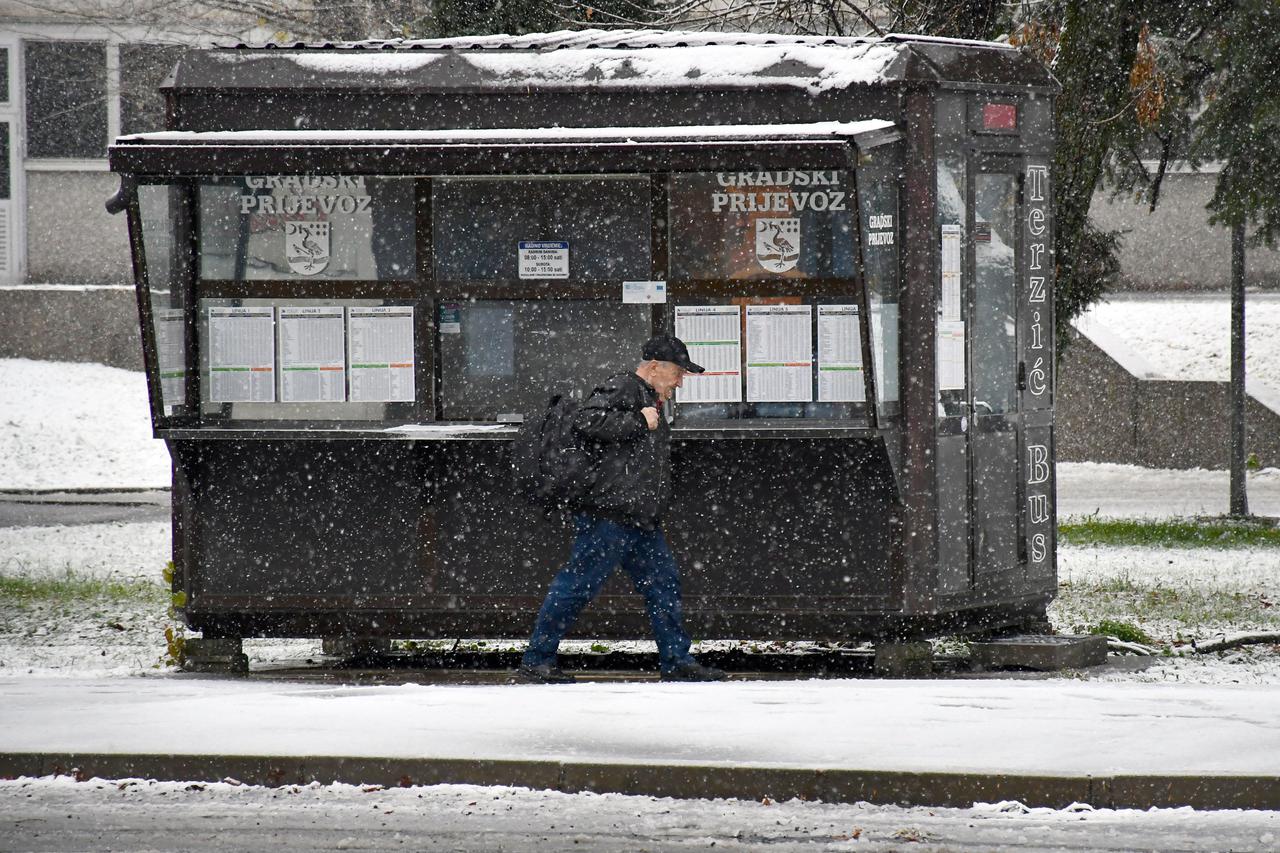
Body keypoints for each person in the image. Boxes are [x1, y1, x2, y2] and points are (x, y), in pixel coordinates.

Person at [517, 334, 728, 684]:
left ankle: (676, 661)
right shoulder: (623, 387)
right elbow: (586, 421)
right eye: (677, 373)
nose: (680, 381)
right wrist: (637, 421)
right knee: (577, 584)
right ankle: (537, 659)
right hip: (609, 515)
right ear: (655, 367)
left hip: (639, 517)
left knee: (663, 585)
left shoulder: (649, 396)